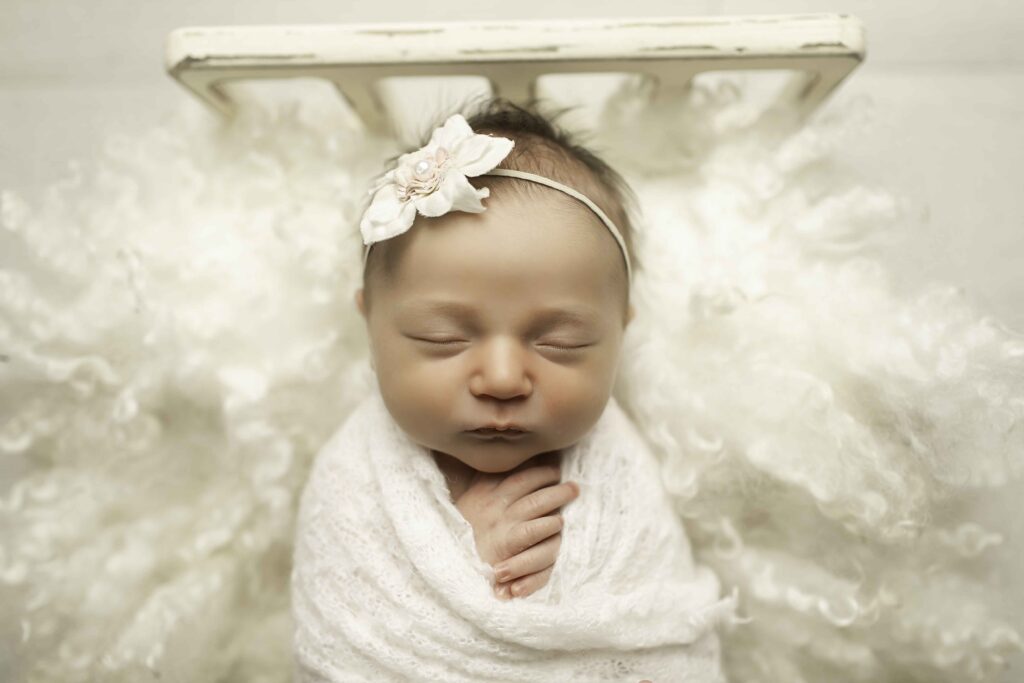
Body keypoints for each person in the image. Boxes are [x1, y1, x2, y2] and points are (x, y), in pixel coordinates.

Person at [354, 97, 638, 601]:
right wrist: (458, 558)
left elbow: (656, 608)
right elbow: (350, 601)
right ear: (369, 325)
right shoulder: (354, 477)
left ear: (620, 331)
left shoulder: (624, 476)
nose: (504, 379)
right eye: (442, 338)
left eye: (560, 343)